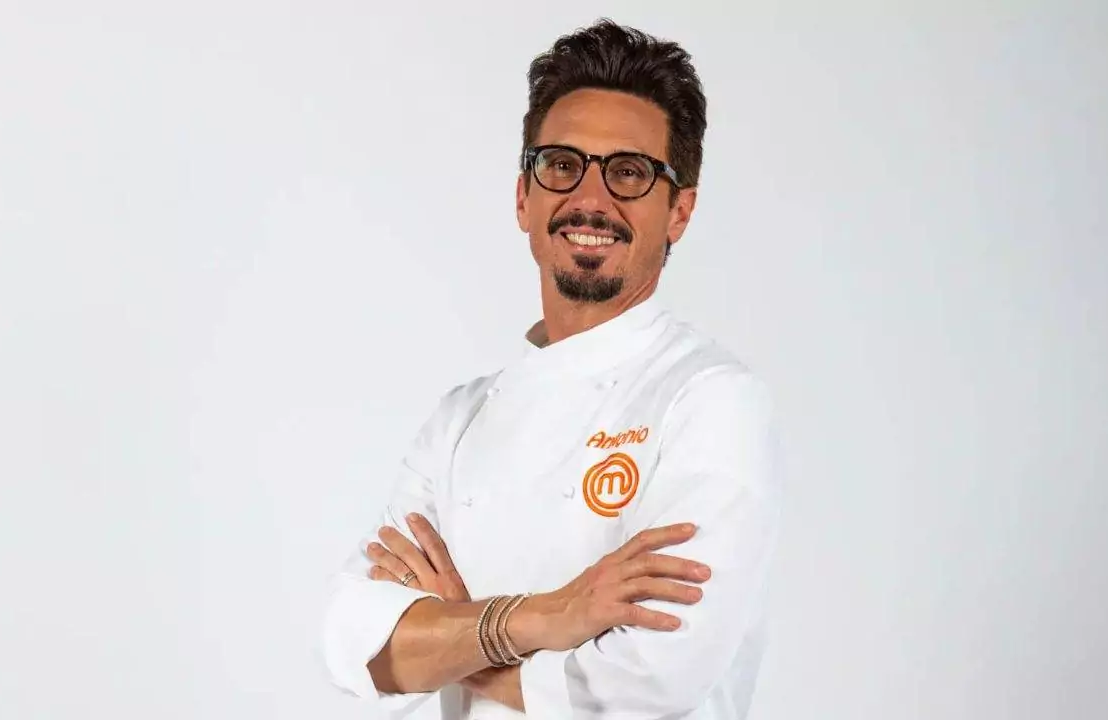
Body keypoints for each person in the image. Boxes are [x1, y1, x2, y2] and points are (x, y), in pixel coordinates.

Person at [321, 18, 782, 719]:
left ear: (678, 212)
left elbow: (647, 682)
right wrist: (547, 616)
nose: (590, 199)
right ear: (523, 198)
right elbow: (355, 645)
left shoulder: (710, 400)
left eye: (628, 173)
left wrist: (457, 635)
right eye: (563, 165)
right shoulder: (460, 420)